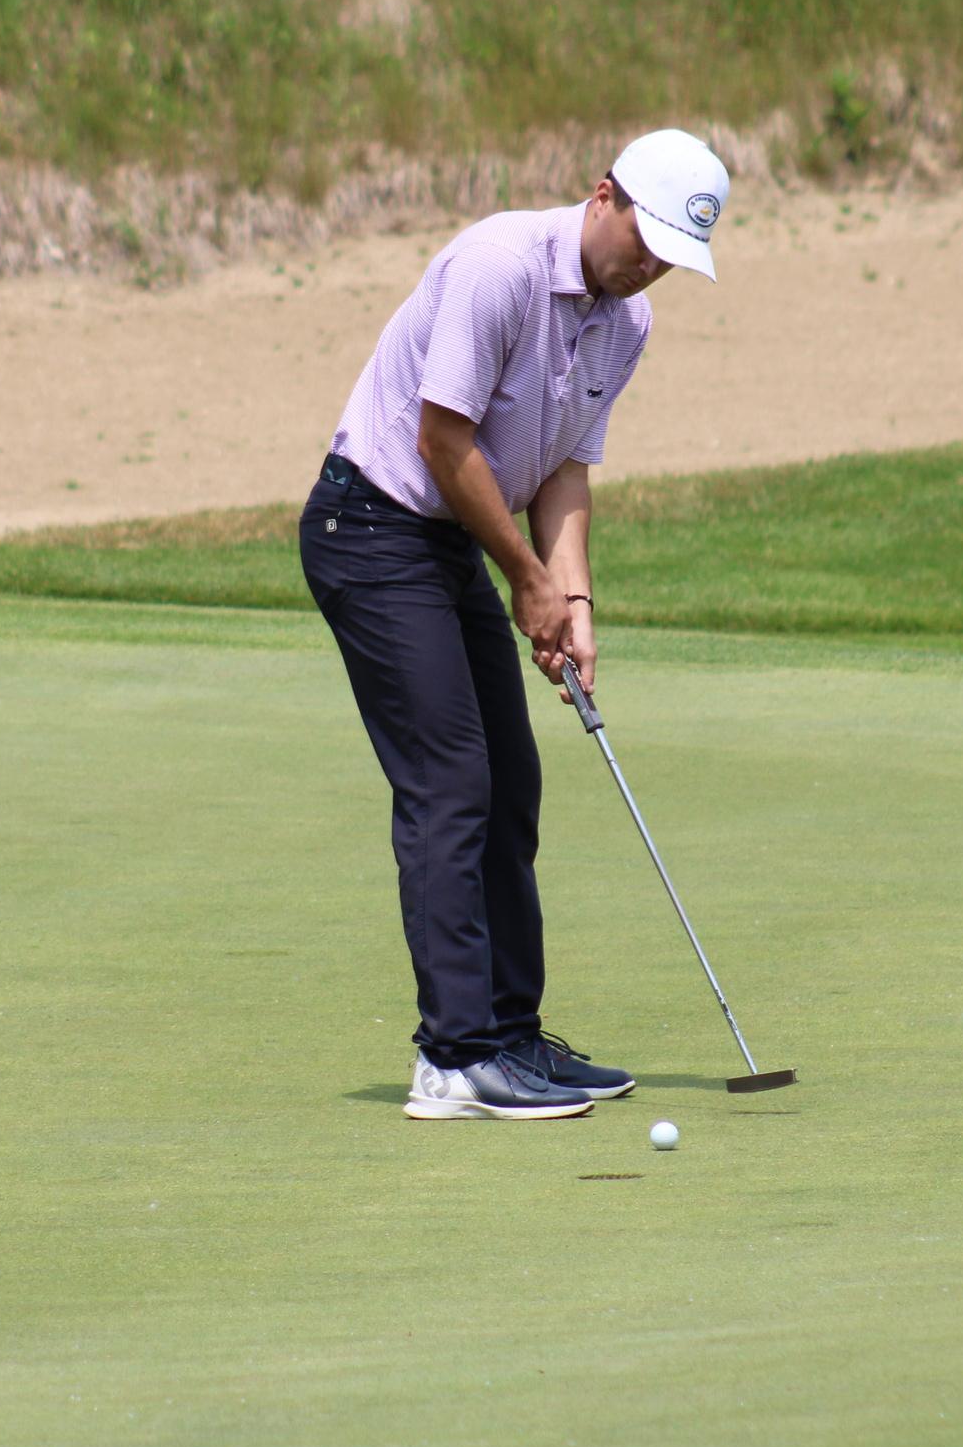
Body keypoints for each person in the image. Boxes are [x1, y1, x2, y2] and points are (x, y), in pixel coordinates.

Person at [299, 129, 730, 1121]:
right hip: (370, 527)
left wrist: (572, 602)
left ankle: (508, 1035)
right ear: (602, 195)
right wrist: (527, 582)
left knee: (510, 780)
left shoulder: (628, 323)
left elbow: (565, 469)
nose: (650, 265)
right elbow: (441, 440)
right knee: (451, 780)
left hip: (447, 539)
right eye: (646, 239)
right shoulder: (499, 266)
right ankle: (453, 1061)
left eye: (672, 255)